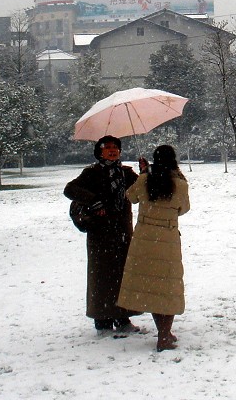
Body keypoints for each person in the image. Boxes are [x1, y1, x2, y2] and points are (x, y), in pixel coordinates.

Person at [64, 135, 147, 335]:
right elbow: (70, 189)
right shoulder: (92, 173)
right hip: (100, 234)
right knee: (101, 276)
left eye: (115, 147)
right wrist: (93, 201)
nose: (112, 150)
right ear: (99, 152)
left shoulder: (126, 173)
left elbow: (142, 192)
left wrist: (145, 173)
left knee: (123, 275)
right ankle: (103, 320)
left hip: (123, 232)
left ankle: (122, 316)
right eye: (107, 147)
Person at [117, 144, 190, 351]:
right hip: (167, 238)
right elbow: (183, 209)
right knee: (168, 286)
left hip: (144, 238)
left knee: (153, 287)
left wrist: (143, 173)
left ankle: (164, 333)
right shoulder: (180, 185)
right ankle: (164, 335)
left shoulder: (144, 180)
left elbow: (129, 197)